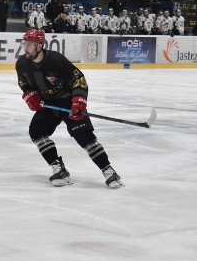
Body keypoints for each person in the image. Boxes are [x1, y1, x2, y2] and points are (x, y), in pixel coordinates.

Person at [16, 28, 123, 188]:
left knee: (84, 136)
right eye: (25, 44)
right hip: (48, 105)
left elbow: (77, 78)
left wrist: (79, 101)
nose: (25, 48)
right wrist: (29, 94)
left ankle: (108, 170)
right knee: (36, 131)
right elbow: (23, 82)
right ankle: (59, 168)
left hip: (68, 102)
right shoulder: (22, 64)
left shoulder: (55, 60)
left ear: (39, 45)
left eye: (29, 44)